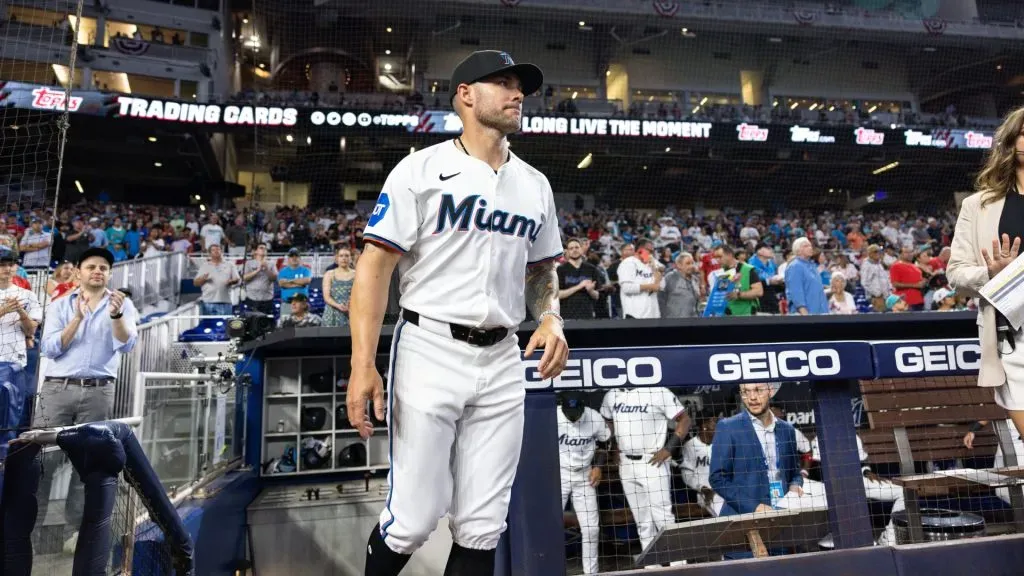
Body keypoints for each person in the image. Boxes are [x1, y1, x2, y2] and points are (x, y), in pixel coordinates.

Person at [345, 49, 568, 576]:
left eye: (521, 86)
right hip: (429, 348)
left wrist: (552, 317)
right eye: (503, 83)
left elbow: (541, 270)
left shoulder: (534, 184)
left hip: (502, 357)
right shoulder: (420, 169)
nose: (517, 95)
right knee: (412, 520)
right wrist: (362, 364)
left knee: (483, 523)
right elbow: (374, 268)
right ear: (465, 95)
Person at [35, 247, 139, 552]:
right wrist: (77, 319)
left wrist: (116, 315)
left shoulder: (122, 304)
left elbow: (127, 344)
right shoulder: (59, 305)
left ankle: (76, 534)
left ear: (109, 273)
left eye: (104, 267)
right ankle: (29, 530)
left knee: (88, 466)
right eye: (91, 266)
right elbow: (50, 348)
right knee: (42, 462)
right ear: (78, 271)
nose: (98, 271)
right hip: (57, 390)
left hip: (98, 391)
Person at [947, 105, 1024, 440]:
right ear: (1010, 141)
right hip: (1013, 339)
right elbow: (956, 273)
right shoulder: (977, 205)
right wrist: (993, 275)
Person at [600, 386, 690, 555]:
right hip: (626, 464)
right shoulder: (612, 394)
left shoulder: (658, 391)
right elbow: (607, 422)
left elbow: (685, 420)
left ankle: (678, 564)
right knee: (642, 521)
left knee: (663, 518)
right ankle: (652, 566)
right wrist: (613, 447)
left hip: (652, 461)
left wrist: (669, 448)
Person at [709, 382, 804, 516]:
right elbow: (717, 478)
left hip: (782, 513)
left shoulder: (787, 430)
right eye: (745, 392)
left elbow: (795, 472)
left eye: (758, 390)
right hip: (742, 518)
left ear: (770, 391)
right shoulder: (728, 427)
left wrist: (795, 486)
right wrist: (754, 507)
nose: (752, 397)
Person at [556, 392, 610, 575]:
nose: (573, 416)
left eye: (576, 412)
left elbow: (605, 442)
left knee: (591, 529)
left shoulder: (594, 417)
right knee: (550, 525)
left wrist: (598, 466)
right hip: (559, 475)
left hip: (585, 475)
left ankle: (591, 573)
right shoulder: (552, 416)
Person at [0, 253, 43, 458]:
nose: (7, 269)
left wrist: (20, 312)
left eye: (11, 265)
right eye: (2, 265)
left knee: (9, 424)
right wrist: (3, 310)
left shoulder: (27, 295)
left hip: (13, 363)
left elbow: (30, 332)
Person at [679, 412, 724, 517]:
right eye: (714, 423)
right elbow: (687, 476)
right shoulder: (690, 446)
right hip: (706, 493)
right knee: (723, 511)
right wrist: (702, 488)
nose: (718, 427)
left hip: (724, 488)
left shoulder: (722, 442)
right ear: (704, 426)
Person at [617, 238, 663, 319]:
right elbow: (626, 288)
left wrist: (655, 269)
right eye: (649, 251)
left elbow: (662, 286)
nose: (651, 254)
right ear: (640, 250)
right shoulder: (628, 263)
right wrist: (650, 286)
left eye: (653, 251)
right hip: (635, 315)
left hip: (653, 314)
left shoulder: (652, 263)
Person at [557, 238, 600, 320]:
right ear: (567, 251)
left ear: (582, 249)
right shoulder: (561, 269)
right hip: (567, 315)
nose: (574, 250)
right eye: (571, 248)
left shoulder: (591, 269)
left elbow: (597, 296)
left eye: (577, 247)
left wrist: (591, 291)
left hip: (587, 315)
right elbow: (558, 295)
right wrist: (579, 286)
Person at [784, 238, 828, 315]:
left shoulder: (812, 266)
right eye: (806, 246)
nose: (810, 248)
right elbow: (796, 292)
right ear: (798, 250)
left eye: (810, 245)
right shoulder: (795, 266)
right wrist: (805, 314)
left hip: (820, 312)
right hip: (805, 314)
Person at [193, 243, 240, 316]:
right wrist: (203, 279)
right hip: (208, 302)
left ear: (222, 251)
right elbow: (195, 283)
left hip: (225, 302)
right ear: (209, 253)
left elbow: (237, 279)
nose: (216, 251)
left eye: (218, 249)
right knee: (209, 326)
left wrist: (232, 281)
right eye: (213, 250)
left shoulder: (230, 265)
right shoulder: (204, 266)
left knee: (225, 326)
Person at [322, 247, 355, 327]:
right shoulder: (329, 274)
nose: (344, 258)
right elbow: (326, 297)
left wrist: (350, 305)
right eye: (341, 256)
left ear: (351, 258)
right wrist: (338, 305)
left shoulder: (356, 274)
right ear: (336, 258)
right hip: (332, 313)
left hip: (351, 312)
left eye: (347, 256)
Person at [241, 243, 277, 316]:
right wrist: (257, 270)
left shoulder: (271, 264)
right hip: (252, 299)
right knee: (252, 322)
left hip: (267, 299)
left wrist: (267, 269)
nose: (264, 249)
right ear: (255, 251)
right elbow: (244, 278)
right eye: (261, 248)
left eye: (265, 248)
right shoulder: (248, 263)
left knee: (266, 323)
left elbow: (274, 278)